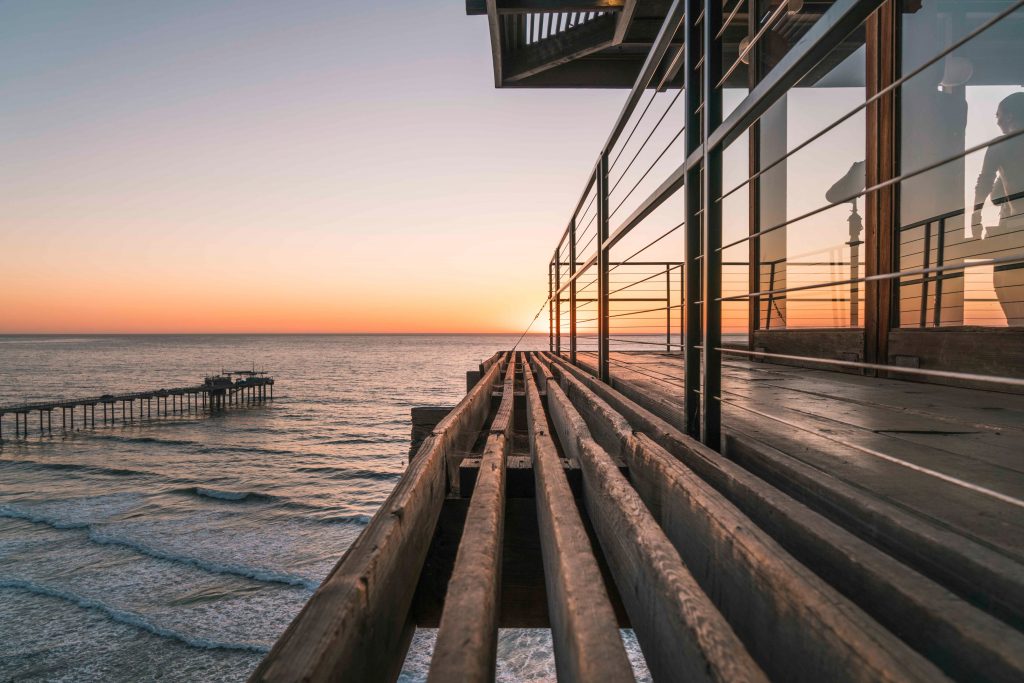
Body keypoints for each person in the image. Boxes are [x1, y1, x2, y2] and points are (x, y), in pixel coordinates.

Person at [971, 92, 1024, 325]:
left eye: (999, 116)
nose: (998, 121)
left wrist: (975, 215)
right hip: (1013, 223)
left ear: (1011, 116)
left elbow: (984, 183)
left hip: (1014, 227)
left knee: (1005, 285)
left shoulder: (1000, 145)